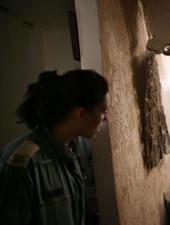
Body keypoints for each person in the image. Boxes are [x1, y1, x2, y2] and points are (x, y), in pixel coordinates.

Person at [0, 69, 109, 225]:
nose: (105, 119)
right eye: (103, 112)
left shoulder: (70, 151)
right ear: (81, 114)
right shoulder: (23, 161)